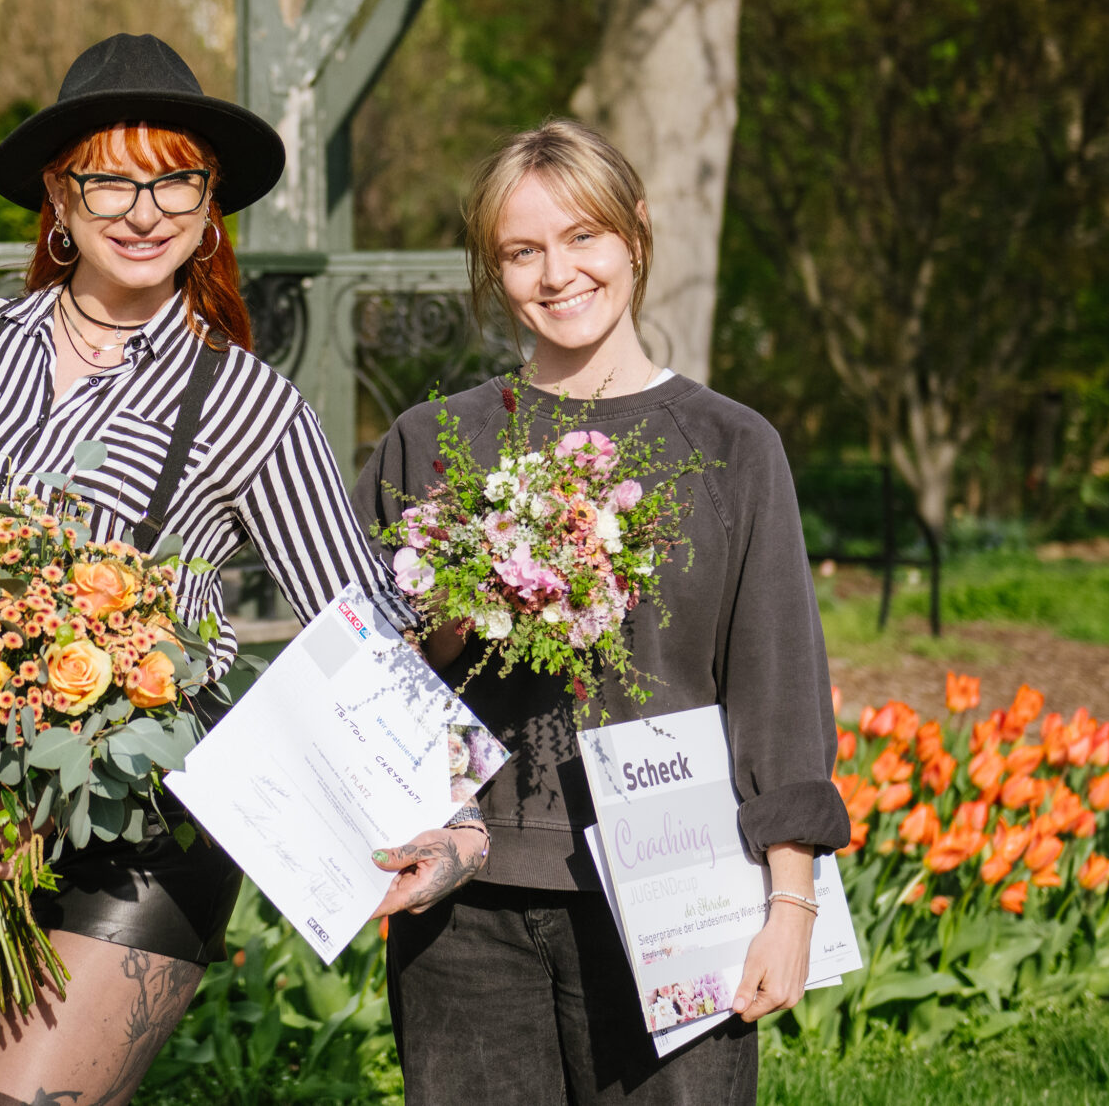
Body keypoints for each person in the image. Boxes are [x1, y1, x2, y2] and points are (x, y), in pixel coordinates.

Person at [0, 33, 460, 1106]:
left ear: (209, 202)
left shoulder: (245, 404)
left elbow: (365, 614)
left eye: (175, 179)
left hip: (141, 830)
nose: (144, 210)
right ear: (58, 192)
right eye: (111, 178)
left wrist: (498, 588)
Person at [355, 118, 850, 1106]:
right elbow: (367, 674)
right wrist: (463, 607)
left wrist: (789, 900)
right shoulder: (431, 442)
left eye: (581, 236)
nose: (556, 272)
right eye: (521, 250)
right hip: (467, 904)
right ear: (493, 273)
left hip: (677, 892)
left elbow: (777, 681)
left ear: (635, 235)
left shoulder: (729, 446)